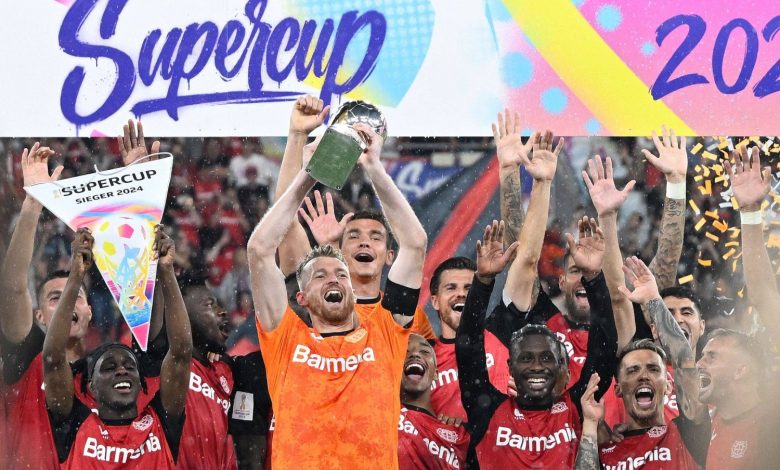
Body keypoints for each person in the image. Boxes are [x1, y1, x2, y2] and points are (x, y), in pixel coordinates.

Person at [247, 118, 421, 468]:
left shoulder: (385, 330)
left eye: (342, 274)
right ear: (301, 297)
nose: (334, 279)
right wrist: (309, 174)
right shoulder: (285, 337)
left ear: (353, 292)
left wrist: (374, 167)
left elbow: (415, 244)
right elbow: (260, 249)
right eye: (320, 275)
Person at [457, 217, 617, 468]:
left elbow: (604, 351)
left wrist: (594, 278)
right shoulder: (486, 409)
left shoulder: (577, 407)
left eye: (546, 358)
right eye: (526, 358)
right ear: (510, 367)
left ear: (561, 367)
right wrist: (483, 282)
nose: (537, 366)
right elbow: (467, 349)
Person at [275, 95, 434, 340]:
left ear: (390, 256)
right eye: (354, 235)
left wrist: (374, 166)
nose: (365, 242)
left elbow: (415, 243)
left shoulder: (394, 314)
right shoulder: (313, 302)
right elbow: (283, 225)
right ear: (340, 251)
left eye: (376, 236)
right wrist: (297, 135)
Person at [44, 226, 192, 468]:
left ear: (141, 383)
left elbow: (181, 353)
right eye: (109, 367)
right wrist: (76, 274)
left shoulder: (162, 422)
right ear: (91, 386)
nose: (122, 370)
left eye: (130, 366)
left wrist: (166, 271)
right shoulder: (74, 425)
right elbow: (53, 359)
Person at [692, 145, 780, 469]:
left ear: (742, 370)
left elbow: (764, 297)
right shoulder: (703, 422)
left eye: (712, 356)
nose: (700, 362)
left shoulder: (773, 414)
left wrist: (752, 214)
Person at [581, 257, 710, 469]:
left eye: (653, 369)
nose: (643, 376)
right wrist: (589, 426)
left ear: (668, 385)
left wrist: (654, 301)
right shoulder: (605, 452)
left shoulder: (689, 436)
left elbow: (684, 359)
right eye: (633, 370)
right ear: (618, 389)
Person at [136, 271, 271, 470]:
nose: (222, 312)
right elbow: (164, 332)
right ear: (180, 314)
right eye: (209, 305)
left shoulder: (228, 371)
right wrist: (164, 272)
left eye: (220, 305)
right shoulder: (163, 361)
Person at [428, 257, 511, 422]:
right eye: (451, 288)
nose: (461, 294)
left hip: (507, 436)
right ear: (435, 301)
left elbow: (527, 267)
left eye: (469, 288)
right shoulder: (426, 360)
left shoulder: (500, 331)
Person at [398, 334, 470, 469]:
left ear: (436, 373)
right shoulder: (381, 418)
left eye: (424, 351)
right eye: (404, 351)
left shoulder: (460, 436)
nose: (415, 354)